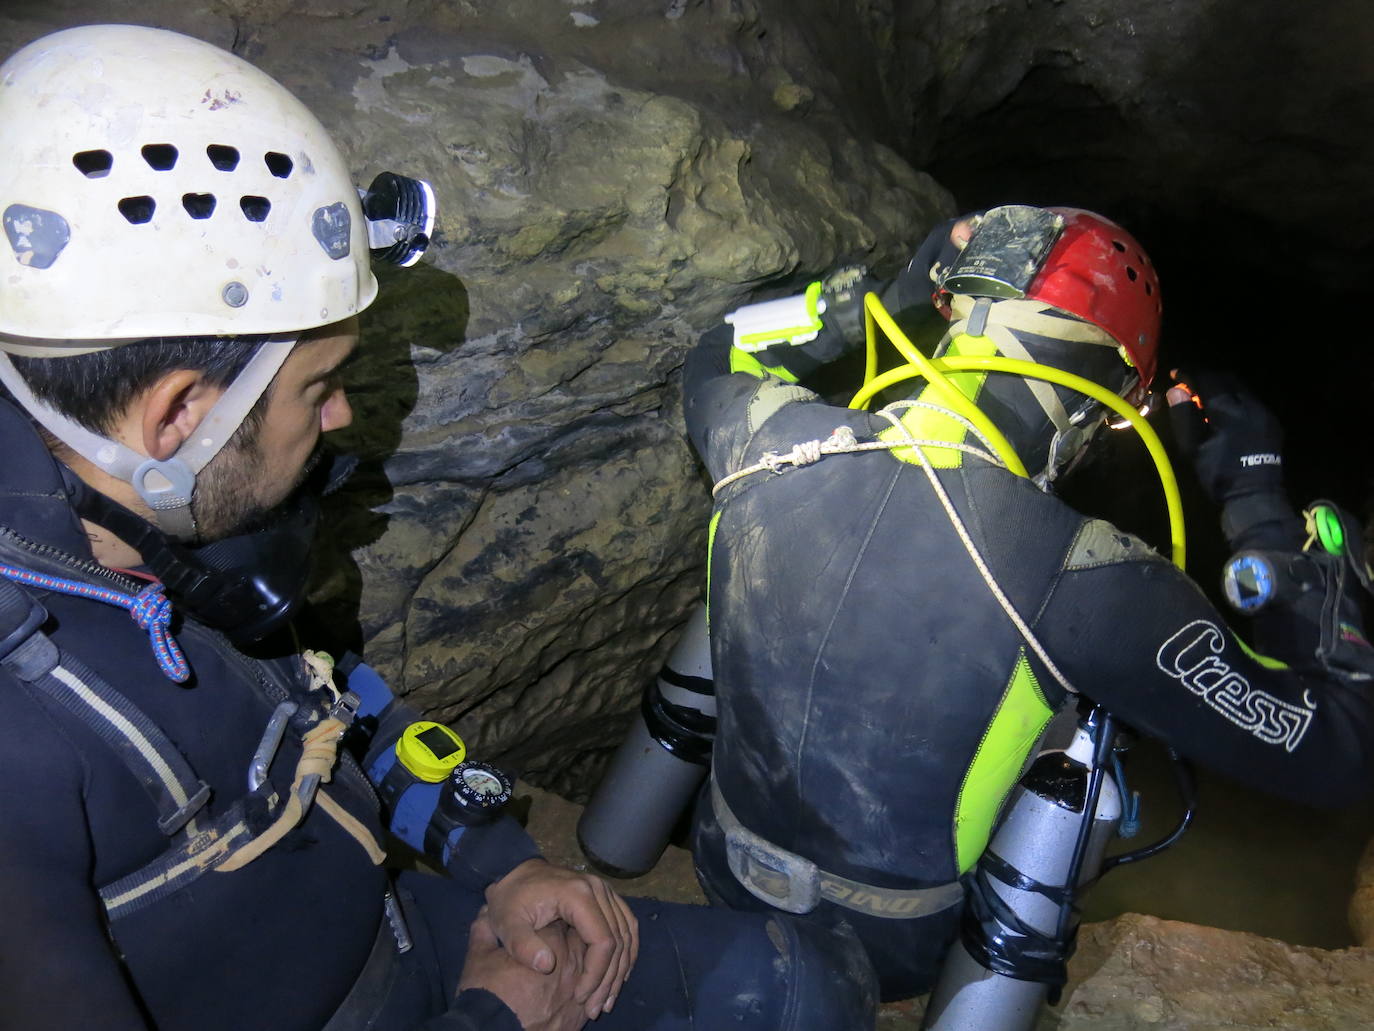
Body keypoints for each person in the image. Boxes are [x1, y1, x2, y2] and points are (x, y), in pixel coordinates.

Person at [0, 23, 877, 1031]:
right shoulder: (21, 734)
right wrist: (496, 1018)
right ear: (177, 417)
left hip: (399, 923)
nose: (342, 420)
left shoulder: (178, 529)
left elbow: (334, 697)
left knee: (812, 987)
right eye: (320, 388)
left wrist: (499, 857)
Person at [678, 203, 1374, 999]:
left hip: (718, 858)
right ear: (1099, 401)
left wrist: (873, 294)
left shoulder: (761, 440)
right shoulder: (1088, 577)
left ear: (952, 318)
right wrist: (1258, 505)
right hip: (894, 947)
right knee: (1080, 737)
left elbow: (716, 349)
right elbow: (1340, 753)